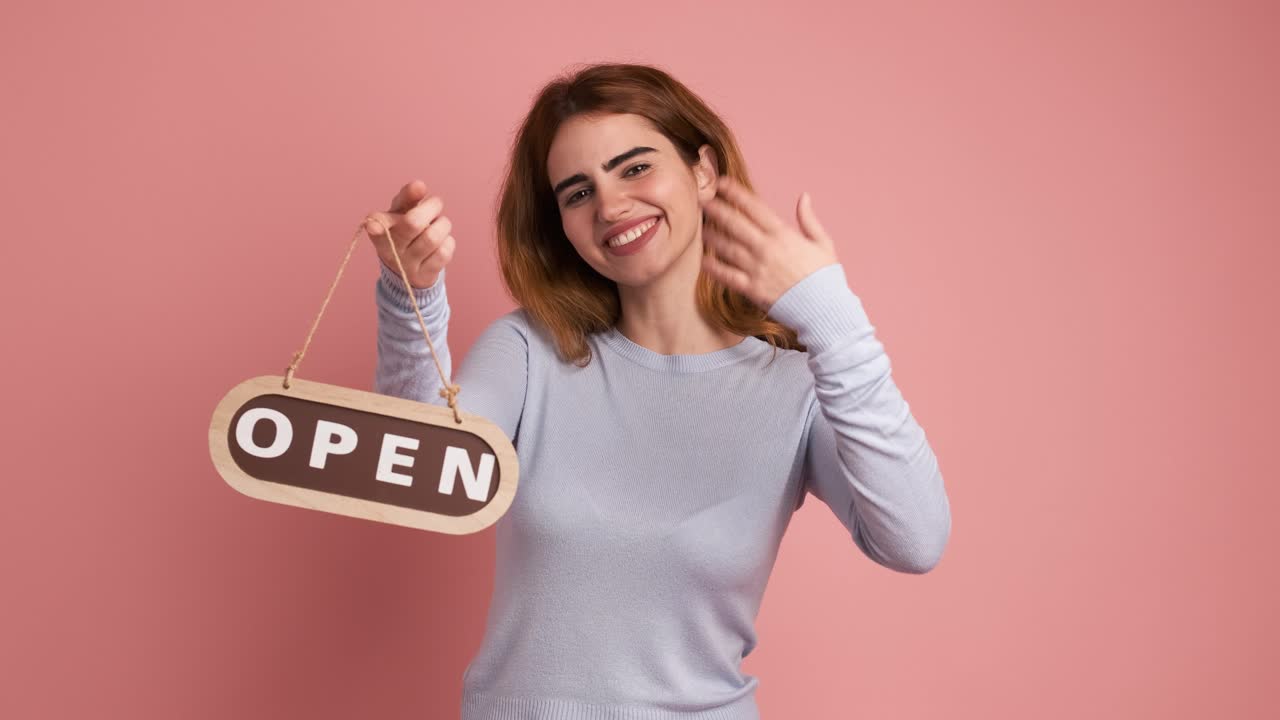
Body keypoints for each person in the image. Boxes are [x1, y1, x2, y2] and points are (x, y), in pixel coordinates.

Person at [367, 62, 952, 720]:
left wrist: (832, 318)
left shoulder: (796, 389)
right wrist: (409, 296)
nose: (612, 206)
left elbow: (915, 539)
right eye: (578, 192)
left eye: (635, 167)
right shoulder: (531, 351)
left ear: (702, 170)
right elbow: (411, 478)